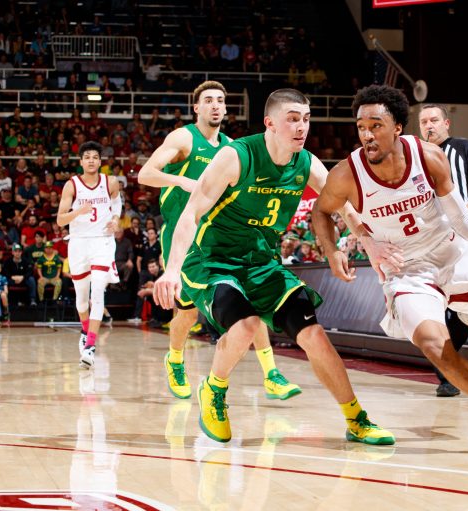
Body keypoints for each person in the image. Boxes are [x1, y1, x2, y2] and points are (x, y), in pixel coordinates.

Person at [313, 84, 468, 457]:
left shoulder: (428, 157)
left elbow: (462, 220)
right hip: (405, 270)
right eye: (361, 126)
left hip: (451, 254)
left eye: (375, 126)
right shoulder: (347, 173)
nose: (366, 135)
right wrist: (337, 250)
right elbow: (321, 211)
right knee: (434, 345)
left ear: (397, 127)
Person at [154, 88, 394, 447]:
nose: (302, 127)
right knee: (246, 324)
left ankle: (355, 418)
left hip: (262, 262)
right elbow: (191, 213)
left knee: (314, 334)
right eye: (293, 119)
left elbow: (341, 206)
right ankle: (214, 390)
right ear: (270, 123)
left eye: (307, 119)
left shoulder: (307, 163)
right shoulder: (236, 156)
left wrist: (368, 241)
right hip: (213, 259)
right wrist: (171, 270)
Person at [138, 81, 301, 401]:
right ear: (196, 108)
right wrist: (182, 181)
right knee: (185, 312)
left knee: (251, 298)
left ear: (226, 109)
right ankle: (174, 358)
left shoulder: (233, 147)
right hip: (182, 233)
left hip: (218, 234)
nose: (215, 105)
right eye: (208, 100)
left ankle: (271, 373)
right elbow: (146, 174)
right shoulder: (184, 138)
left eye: (221, 100)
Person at [417, 103, 468, 397]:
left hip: (462, 239)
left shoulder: (464, 148)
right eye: (423, 121)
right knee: (437, 307)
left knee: (458, 306)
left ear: (446, 123)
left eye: (434, 120)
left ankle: (450, 367)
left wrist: (461, 217)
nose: (429, 126)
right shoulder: (414, 159)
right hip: (428, 242)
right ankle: (447, 371)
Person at [57, 141, 121, 370]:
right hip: (78, 244)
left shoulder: (110, 182)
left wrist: (114, 220)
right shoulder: (71, 185)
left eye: (96, 156)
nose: (92, 160)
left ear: (100, 161)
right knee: (81, 299)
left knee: (98, 291)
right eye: (88, 157)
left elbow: (117, 205)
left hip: (102, 242)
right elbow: (60, 220)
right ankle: (85, 331)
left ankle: (90, 346)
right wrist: (77, 211)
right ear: (81, 161)